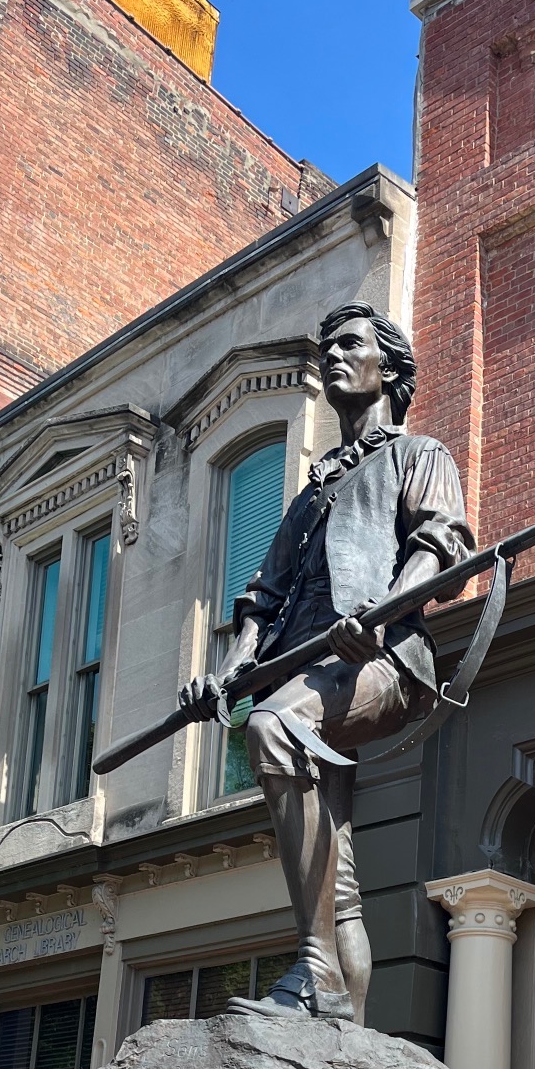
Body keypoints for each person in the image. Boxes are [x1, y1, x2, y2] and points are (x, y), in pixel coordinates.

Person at [180, 305, 473, 1023]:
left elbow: (441, 551)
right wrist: (231, 671)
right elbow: (263, 595)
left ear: (390, 370)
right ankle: (344, 1026)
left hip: (386, 662)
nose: (331, 354)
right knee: (337, 873)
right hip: (309, 670)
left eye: (349, 344)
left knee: (273, 729)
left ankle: (316, 972)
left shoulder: (419, 455)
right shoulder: (312, 492)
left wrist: (380, 616)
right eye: (327, 345)